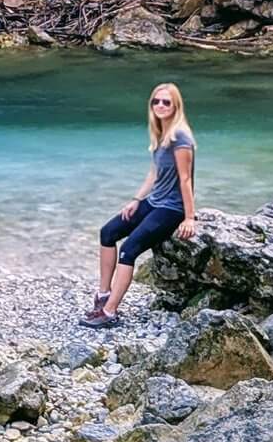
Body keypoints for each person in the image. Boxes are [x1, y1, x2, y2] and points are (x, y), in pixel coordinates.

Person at [83, 81, 197, 327]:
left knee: (129, 249)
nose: (160, 105)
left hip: (171, 209)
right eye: (156, 101)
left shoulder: (181, 137)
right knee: (108, 232)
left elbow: (186, 179)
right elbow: (154, 173)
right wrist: (136, 200)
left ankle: (110, 313)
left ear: (176, 105)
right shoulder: (160, 132)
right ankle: (103, 295)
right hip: (154, 201)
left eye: (166, 101)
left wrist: (189, 217)